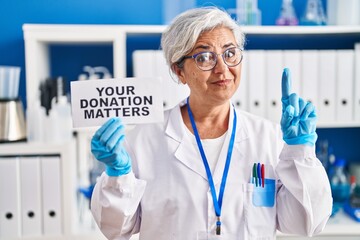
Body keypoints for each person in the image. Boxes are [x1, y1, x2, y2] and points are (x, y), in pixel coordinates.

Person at [90, 7, 332, 240]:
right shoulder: (144, 140)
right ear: (179, 71)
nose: (222, 69)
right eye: (204, 57)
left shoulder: (268, 137)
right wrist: (117, 176)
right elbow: (116, 229)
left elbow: (305, 222)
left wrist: (301, 151)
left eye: (230, 53)